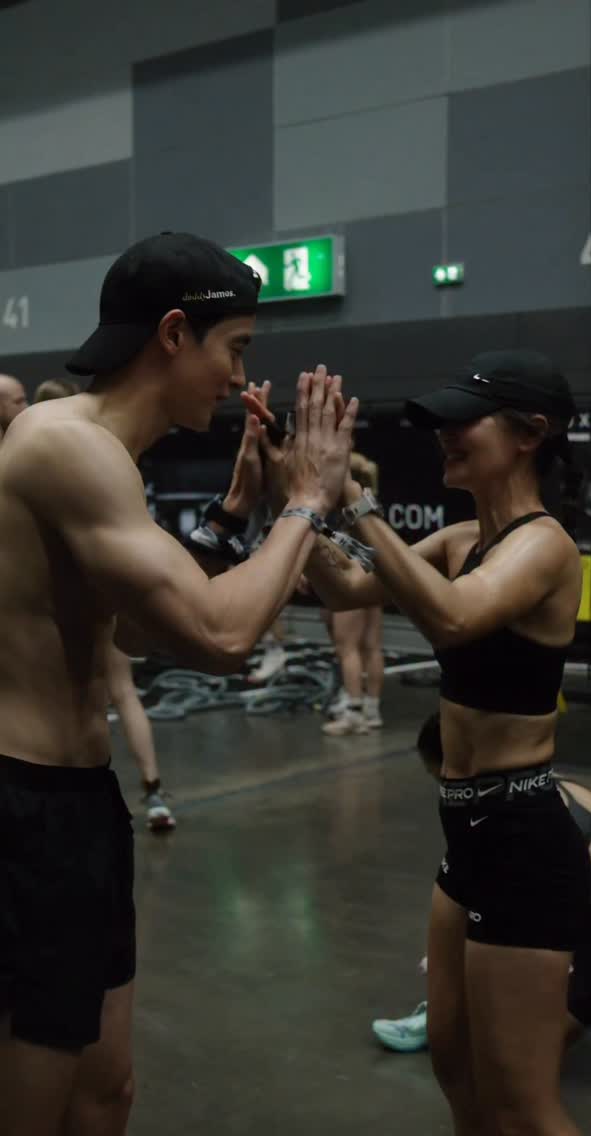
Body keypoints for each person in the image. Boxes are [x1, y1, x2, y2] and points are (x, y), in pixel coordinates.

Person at [0, 230, 357, 1136]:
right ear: (171, 334)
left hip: (79, 804)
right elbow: (222, 635)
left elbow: (135, 629)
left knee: (106, 1090)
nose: (239, 379)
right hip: (24, 811)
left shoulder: (107, 458)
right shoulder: (64, 446)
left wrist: (237, 513)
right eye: (234, 349)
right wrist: (308, 501)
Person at [285, 350, 590, 1134]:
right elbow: (347, 588)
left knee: (523, 1104)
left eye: (465, 423)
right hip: (467, 827)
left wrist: (353, 498)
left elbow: (453, 617)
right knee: (455, 1066)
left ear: (531, 434)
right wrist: (298, 498)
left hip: (523, 836)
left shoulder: (546, 546)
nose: (445, 436)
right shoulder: (460, 538)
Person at [372, 713, 591, 1071]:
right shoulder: (546, 788)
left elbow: (520, 927)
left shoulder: (514, 818)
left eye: (442, 779)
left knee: (507, 1061)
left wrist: (454, 971)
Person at [33, 378, 176, 832]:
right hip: (100, 594)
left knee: (110, 691)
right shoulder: (107, 457)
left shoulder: (50, 462)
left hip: (86, 602)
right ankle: (153, 791)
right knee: (120, 692)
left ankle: (145, 790)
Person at [322, 453, 384, 736]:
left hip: (352, 578)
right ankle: (371, 710)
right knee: (371, 645)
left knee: (347, 647)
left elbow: (333, 546)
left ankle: (354, 712)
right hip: (373, 574)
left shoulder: (346, 507)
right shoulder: (370, 502)